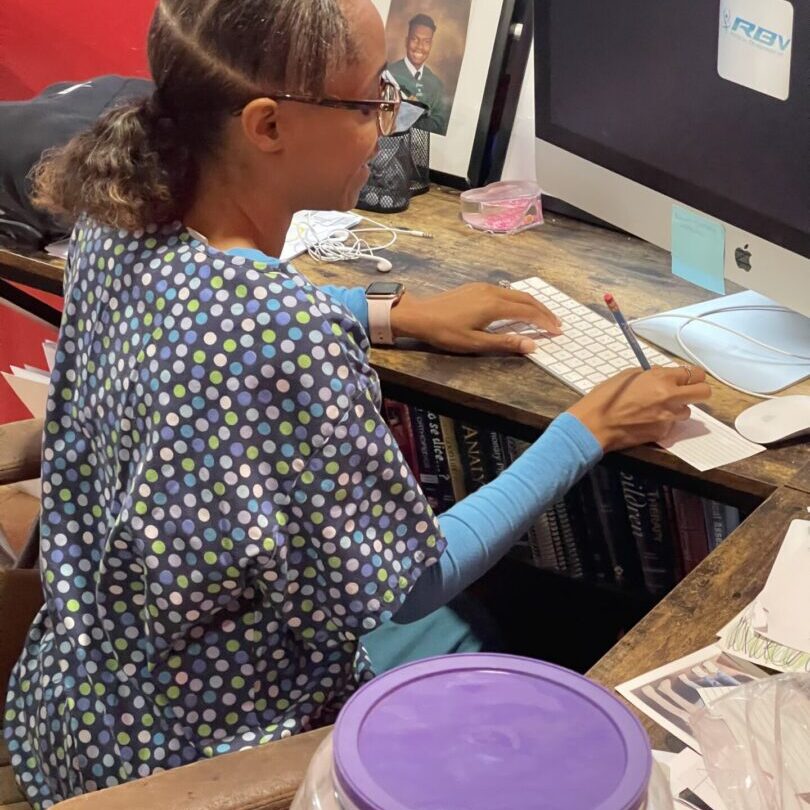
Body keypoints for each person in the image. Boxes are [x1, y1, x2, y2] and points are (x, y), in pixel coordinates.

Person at [3, 0, 711, 806]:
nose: (389, 123)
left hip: (71, 713)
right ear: (267, 126)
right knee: (510, 637)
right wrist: (587, 430)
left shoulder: (116, 209)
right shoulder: (281, 336)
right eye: (372, 100)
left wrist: (396, 316)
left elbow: (210, 324)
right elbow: (415, 579)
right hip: (198, 759)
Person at [387, 13, 449, 134]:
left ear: (431, 45)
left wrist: (413, 115)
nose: (420, 47)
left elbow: (439, 124)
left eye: (426, 42)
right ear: (406, 41)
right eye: (415, 39)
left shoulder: (436, 84)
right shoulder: (388, 73)